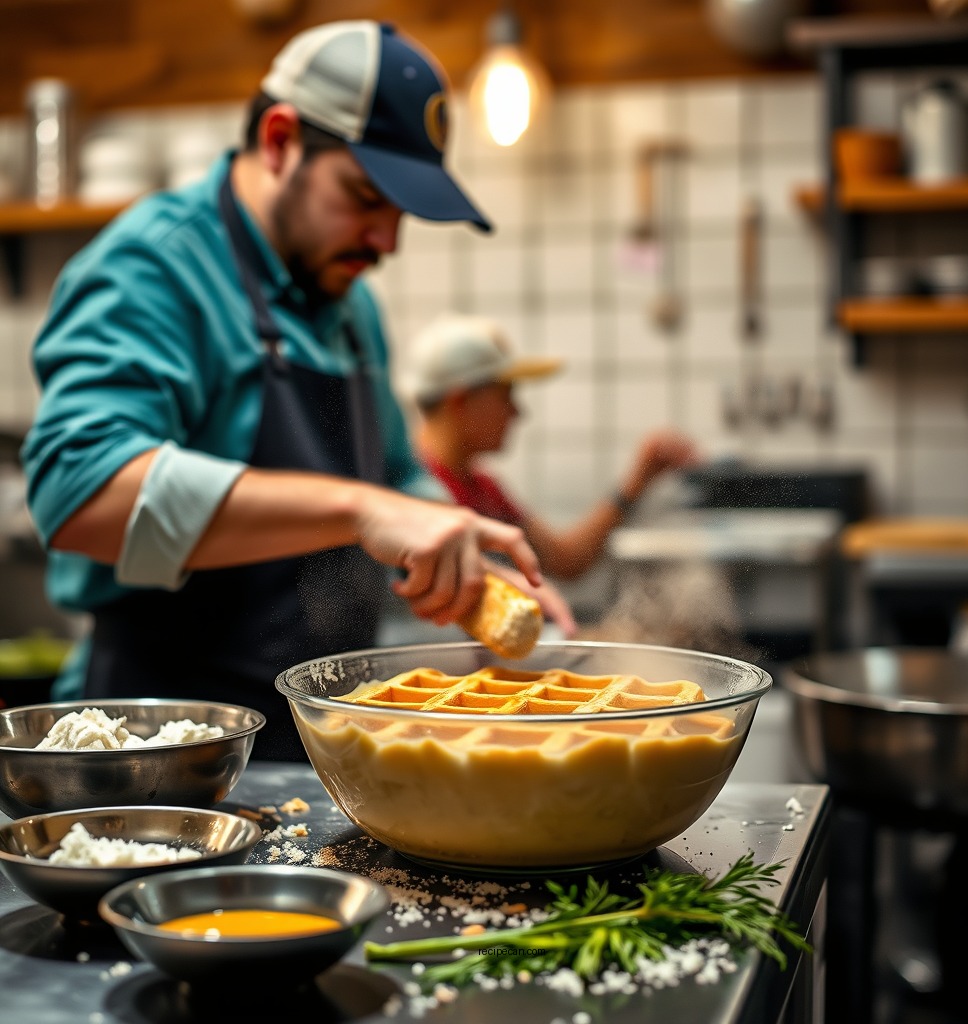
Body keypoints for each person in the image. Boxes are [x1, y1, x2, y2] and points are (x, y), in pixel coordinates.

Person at [19, 21, 563, 762]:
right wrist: (362, 509)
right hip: (164, 753)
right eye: (365, 196)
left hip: (324, 744)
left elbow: (396, 476)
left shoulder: (349, 305)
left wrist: (459, 556)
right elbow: (78, 493)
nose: (387, 241)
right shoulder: (155, 267)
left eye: (399, 213)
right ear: (279, 141)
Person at [405, 313, 701, 581]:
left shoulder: (483, 487)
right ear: (460, 401)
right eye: (506, 395)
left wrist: (638, 479)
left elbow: (565, 560)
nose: (517, 413)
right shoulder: (408, 495)